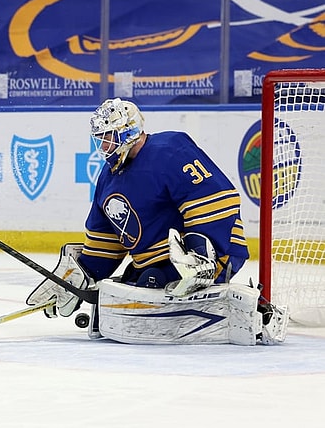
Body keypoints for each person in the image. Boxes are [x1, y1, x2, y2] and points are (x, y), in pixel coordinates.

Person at [27, 98, 289, 346]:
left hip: (211, 255)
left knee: (151, 282)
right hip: (157, 265)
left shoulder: (170, 149)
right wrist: (76, 280)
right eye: (101, 139)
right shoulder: (109, 177)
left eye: (109, 137)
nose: (104, 146)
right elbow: (105, 242)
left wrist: (201, 254)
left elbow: (216, 198)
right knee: (128, 286)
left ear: (128, 131)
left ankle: (256, 312)